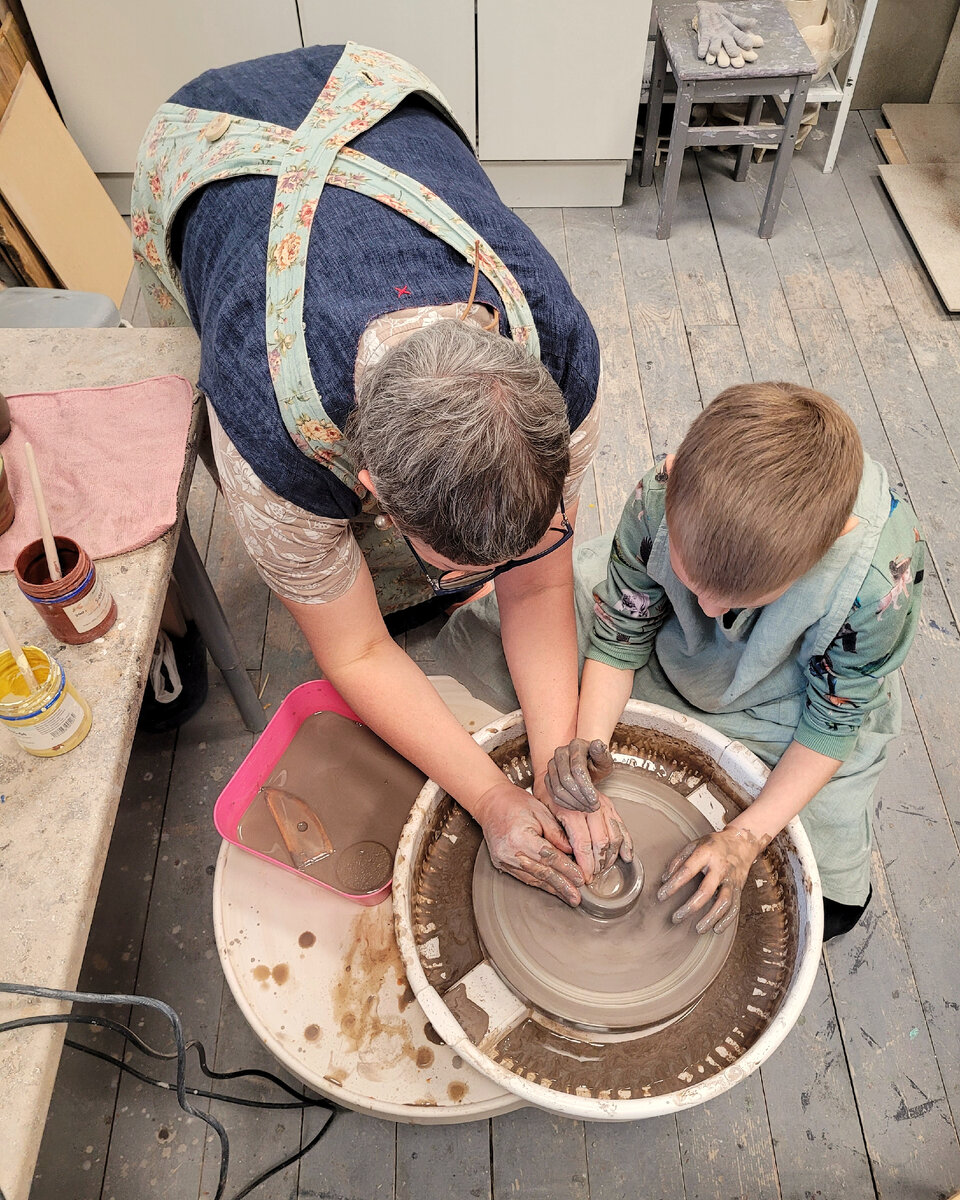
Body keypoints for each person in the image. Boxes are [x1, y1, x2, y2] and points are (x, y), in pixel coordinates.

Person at [130, 42, 629, 899]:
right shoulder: (273, 437)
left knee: (493, 568)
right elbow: (354, 647)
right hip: (207, 156)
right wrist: (486, 795)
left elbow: (541, 588)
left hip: (370, 100)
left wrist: (554, 767)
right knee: (368, 603)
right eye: (463, 566)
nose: (499, 577)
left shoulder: (561, 354)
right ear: (375, 497)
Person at [533, 383, 924, 940]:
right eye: (692, 582)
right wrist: (588, 750)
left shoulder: (880, 585)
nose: (710, 609)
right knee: (520, 673)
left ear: (829, 547)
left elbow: (831, 721)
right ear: (673, 476)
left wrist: (745, 837)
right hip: (667, 655)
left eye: (741, 601)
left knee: (827, 909)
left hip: (793, 701)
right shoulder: (657, 497)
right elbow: (622, 636)